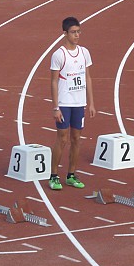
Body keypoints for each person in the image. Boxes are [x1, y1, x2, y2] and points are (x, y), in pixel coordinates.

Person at [49, 17, 96, 191]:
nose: (77, 35)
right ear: (65, 33)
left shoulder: (84, 52)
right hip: (64, 103)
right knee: (62, 139)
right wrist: (56, 107)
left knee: (76, 139)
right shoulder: (59, 54)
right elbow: (53, 81)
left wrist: (90, 102)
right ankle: (54, 175)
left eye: (78, 32)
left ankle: (71, 174)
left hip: (79, 103)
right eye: (73, 32)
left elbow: (88, 77)